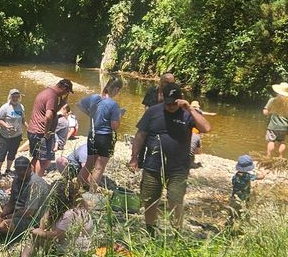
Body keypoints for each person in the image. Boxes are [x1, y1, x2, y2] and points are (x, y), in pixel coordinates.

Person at [129, 81, 211, 234]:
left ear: (180, 99)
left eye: (174, 104)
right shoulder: (153, 112)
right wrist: (134, 157)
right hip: (153, 164)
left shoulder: (187, 113)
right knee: (149, 200)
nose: (171, 107)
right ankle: (150, 230)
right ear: (163, 98)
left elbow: (206, 128)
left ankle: (176, 232)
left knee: (175, 200)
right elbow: (140, 135)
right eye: (168, 104)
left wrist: (190, 109)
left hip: (178, 168)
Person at [77, 77, 124, 191]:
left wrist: (91, 115)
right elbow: (114, 126)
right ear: (116, 89)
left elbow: (79, 104)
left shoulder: (94, 98)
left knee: (89, 164)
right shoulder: (113, 104)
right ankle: (91, 194)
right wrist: (119, 115)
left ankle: (76, 188)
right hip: (105, 137)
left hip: (92, 135)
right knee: (99, 168)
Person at [27, 79, 73, 175]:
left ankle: (28, 180)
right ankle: (37, 184)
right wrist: (46, 132)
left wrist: (61, 104)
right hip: (41, 133)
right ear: (64, 88)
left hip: (33, 130)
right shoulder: (53, 96)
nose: (66, 94)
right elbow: (48, 116)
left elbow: (50, 111)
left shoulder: (46, 92)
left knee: (36, 157)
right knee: (42, 160)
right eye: (67, 91)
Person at [0, 89, 25, 178]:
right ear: (10, 97)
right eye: (13, 96)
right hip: (5, 135)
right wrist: (6, 126)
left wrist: (28, 127)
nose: (15, 98)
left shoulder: (21, 107)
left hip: (17, 134)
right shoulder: (5, 107)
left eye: (17, 96)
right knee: (2, 152)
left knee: (12, 153)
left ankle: (8, 170)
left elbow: (23, 119)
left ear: (19, 97)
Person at [263, 82, 288, 158]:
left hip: (273, 126)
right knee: (282, 142)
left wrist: (270, 112)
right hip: (284, 127)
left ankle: (268, 156)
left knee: (271, 141)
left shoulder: (272, 100)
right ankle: (280, 157)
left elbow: (265, 112)